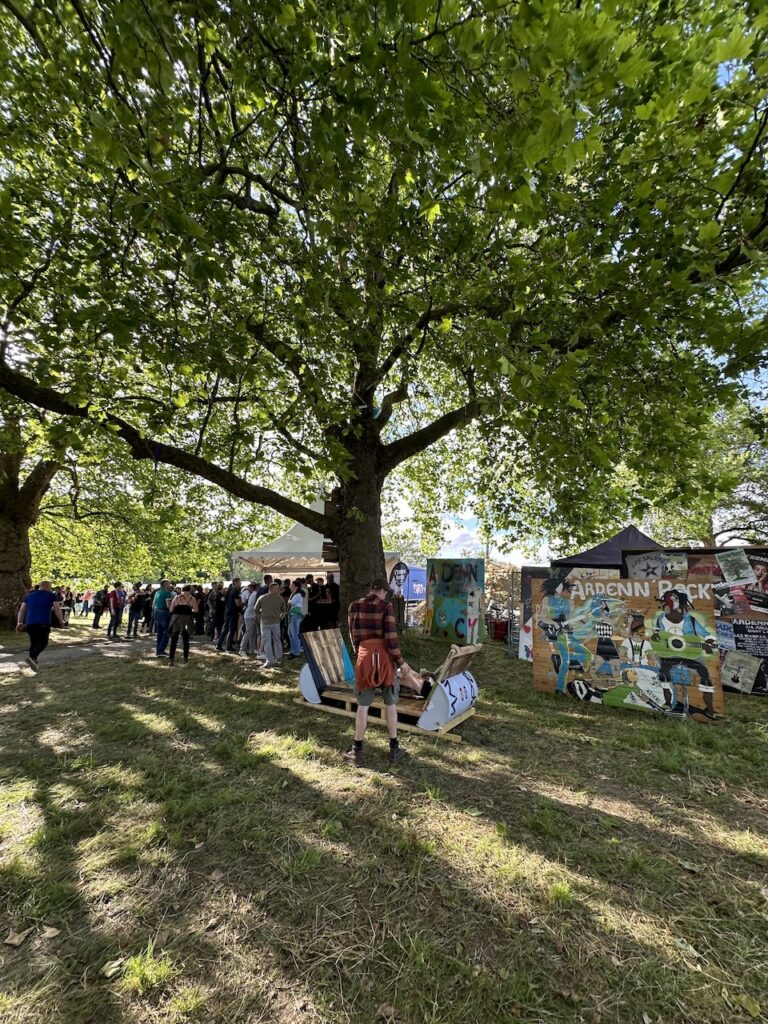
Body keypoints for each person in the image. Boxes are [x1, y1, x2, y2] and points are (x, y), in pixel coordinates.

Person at [344, 578, 412, 765]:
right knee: (390, 704)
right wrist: (400, 661)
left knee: (363, 705)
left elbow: (353, 635)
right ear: (381, 591)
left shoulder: (354, 606)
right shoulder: (386, 606)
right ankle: (394, 748)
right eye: (385, 592)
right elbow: (391, 637)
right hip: (384, 659)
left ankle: (357, 750)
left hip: (365, 657)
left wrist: (362, 653)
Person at [16, 581, 65, 671]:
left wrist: (19, 622)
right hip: (43, 622)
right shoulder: (51, 595)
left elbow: (22, 610)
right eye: (50, 587)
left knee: (34, 642)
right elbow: (57, 609)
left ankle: (33, 662)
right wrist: (61, 620)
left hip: (30, 623)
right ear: (48, 587)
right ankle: (32, 657)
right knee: (43, 642)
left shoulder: (29, 595)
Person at [255, 581, 286, 668]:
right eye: (276, 589)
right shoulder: (280, 598)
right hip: (275, 622)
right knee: (277, 640)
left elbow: (256, 610)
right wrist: (280, 618)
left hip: (265, 622)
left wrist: (260, 618)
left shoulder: (262, 597)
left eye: (277, 589)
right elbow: (284, 611)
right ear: (271, 589)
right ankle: (278, 658)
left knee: (267, 642)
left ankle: (269, 661)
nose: (277, 590)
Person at [168, 585, 198, 666]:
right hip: (187, 621)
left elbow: (171, 609)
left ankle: (171, 660)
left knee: (174, 641)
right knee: (186, 641)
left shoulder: (176, 598)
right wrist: (190, 609)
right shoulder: (192, 599)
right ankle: (185, 660)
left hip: (176, 620)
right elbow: (196, 610)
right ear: (190, 590)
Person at [217, 578, 243, 652]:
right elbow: (237, 603)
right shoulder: (235, 592)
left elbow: (225, 600)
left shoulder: (229, 590)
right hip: (233, 613)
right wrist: (243, 603)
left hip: (228, 612)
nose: (240, 584)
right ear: (236, 583)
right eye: (239, 583)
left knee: (225, 629)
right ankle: (229, 646)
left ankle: (219, 645)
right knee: (232, 630)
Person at [239, 582, 261, 656]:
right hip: (249, 616)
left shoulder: (254, 594)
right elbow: (252, 606)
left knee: (253, 632)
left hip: (252, 615)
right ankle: (242, 649)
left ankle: (252, 648)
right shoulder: (254, 594)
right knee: (248, 632)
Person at [153, 580, 174, 657]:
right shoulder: (168, 593)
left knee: (160, 633)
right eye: (169, 583)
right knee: (168, 631)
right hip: (164, 613)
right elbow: (168, 605)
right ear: (165, 585)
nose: (170, 585)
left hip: (157, 612)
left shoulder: (157, 592)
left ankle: (158, 650)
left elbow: (154, 604)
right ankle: (161, 649)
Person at [287, 579, 305, 657]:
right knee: (290, 633)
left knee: (294, 634)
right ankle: (293, 650)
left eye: (292, 585)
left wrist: (289, 601)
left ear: (296, 587)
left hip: (296, 615)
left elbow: (291, 603)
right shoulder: (294, 594)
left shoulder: (298, 595)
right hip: (293, 615)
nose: (291, 587)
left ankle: (296, 652)